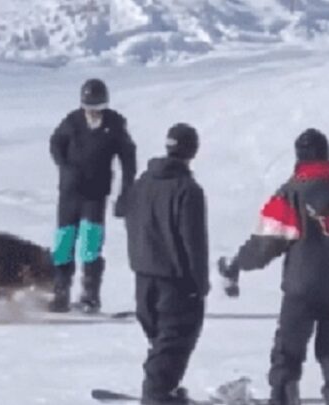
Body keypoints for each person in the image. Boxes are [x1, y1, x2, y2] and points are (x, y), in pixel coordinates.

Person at [217, 128, 329, 405]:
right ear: (327, 154)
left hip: (301, 286)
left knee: (288, 348)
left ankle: (284, 397)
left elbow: (266, 242)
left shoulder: (291, 193)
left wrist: (239, 263)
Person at [123, 123, 209, 405]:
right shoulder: (187, 189)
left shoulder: (143, 182)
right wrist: (201, 282)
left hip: (143, 276)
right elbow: (193, 241)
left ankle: (163, 387)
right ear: (192, 150)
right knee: (175, 338)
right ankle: (157, 393)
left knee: (162, 340)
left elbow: (124, 213)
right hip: (174, 278)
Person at [48, 78, 137, 313]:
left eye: (98, 110)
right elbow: (56, 143)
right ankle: (60, 292)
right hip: (70, 192)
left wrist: (126, 192)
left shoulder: (115, 125)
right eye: (89, 109)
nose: (93, 115)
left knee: (90, 244)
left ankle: (90, 295)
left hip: (95, 194)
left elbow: (129, 159)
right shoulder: (72, 121)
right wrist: (64, 166)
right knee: (63, 243)